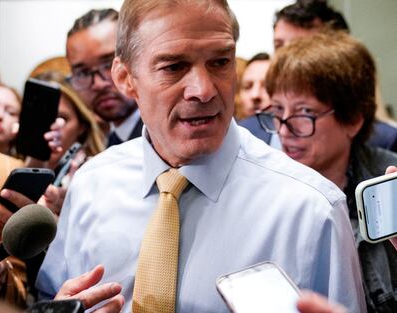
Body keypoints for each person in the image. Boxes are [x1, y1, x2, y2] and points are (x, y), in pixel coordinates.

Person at [35, 1, 365, 312]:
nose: (203, 89)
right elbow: (51, 292)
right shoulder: (92, 184)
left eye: (220, 62)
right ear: (125, 78)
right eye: (174, 66)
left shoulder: (311, 211)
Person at [256, 31, 397, 312]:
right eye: (278, 111)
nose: (284, 130)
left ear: (353, 119)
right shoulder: (261, 188)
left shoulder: (386, 184)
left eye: (304, 113)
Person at [269, 0, 397, 153]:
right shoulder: (247, 131)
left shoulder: (383, 143)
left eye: (301, 47)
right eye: (278, 45)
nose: (285, 58)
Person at [66, 8, 142, 146]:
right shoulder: (108, 141)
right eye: (83, 73)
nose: (98, 84)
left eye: (109, 64)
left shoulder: (167, 141)